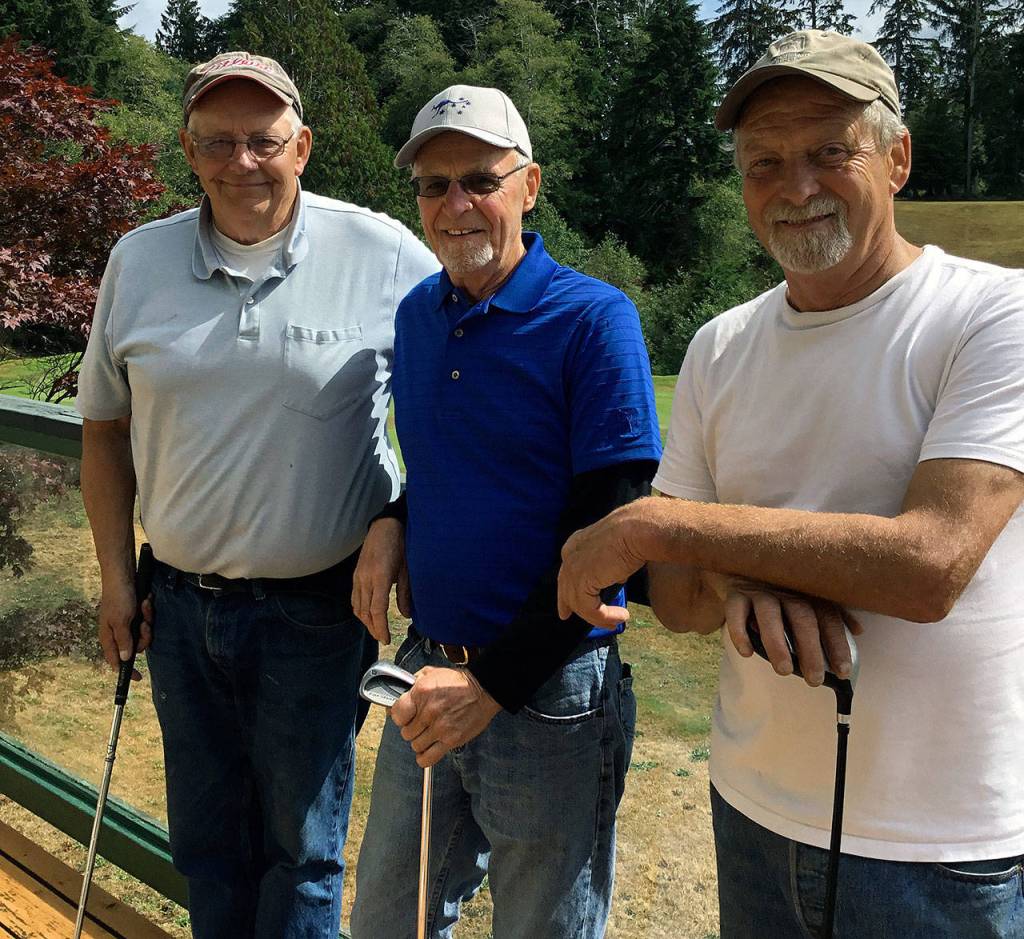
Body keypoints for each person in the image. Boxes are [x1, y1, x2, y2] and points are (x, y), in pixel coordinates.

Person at [557, 30, 1024, 939]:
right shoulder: (720, 346)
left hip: (941, 846)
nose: (795, 185)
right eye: (764, 161)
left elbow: (930, 562)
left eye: (827, 152)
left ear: (898, 157)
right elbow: (687, 602)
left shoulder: (992, 313)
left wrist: (657, 525)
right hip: (753, 809)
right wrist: (741, 572)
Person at [76, 51, 437, 939]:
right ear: (189, 151)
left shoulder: (384, 251)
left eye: (264, 140)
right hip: (178, 609)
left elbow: (467, 393)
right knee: (206, 845)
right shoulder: (139, 259)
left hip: (318, 613)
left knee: (303, 853)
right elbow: (102, 430)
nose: (244, 161)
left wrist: (398, 519)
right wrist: (118, 578)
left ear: (302, 145)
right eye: (219, 142)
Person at [348, 85, 662, 938]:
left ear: (530, 186)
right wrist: (395, 519)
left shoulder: (595, 319)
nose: (455, 205)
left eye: (479, 179)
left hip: (550, 693)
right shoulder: (419, 316)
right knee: (388, 919)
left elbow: (617, 524)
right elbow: (456, 467)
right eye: (432, 184)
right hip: (428, 671)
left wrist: (491, 685)